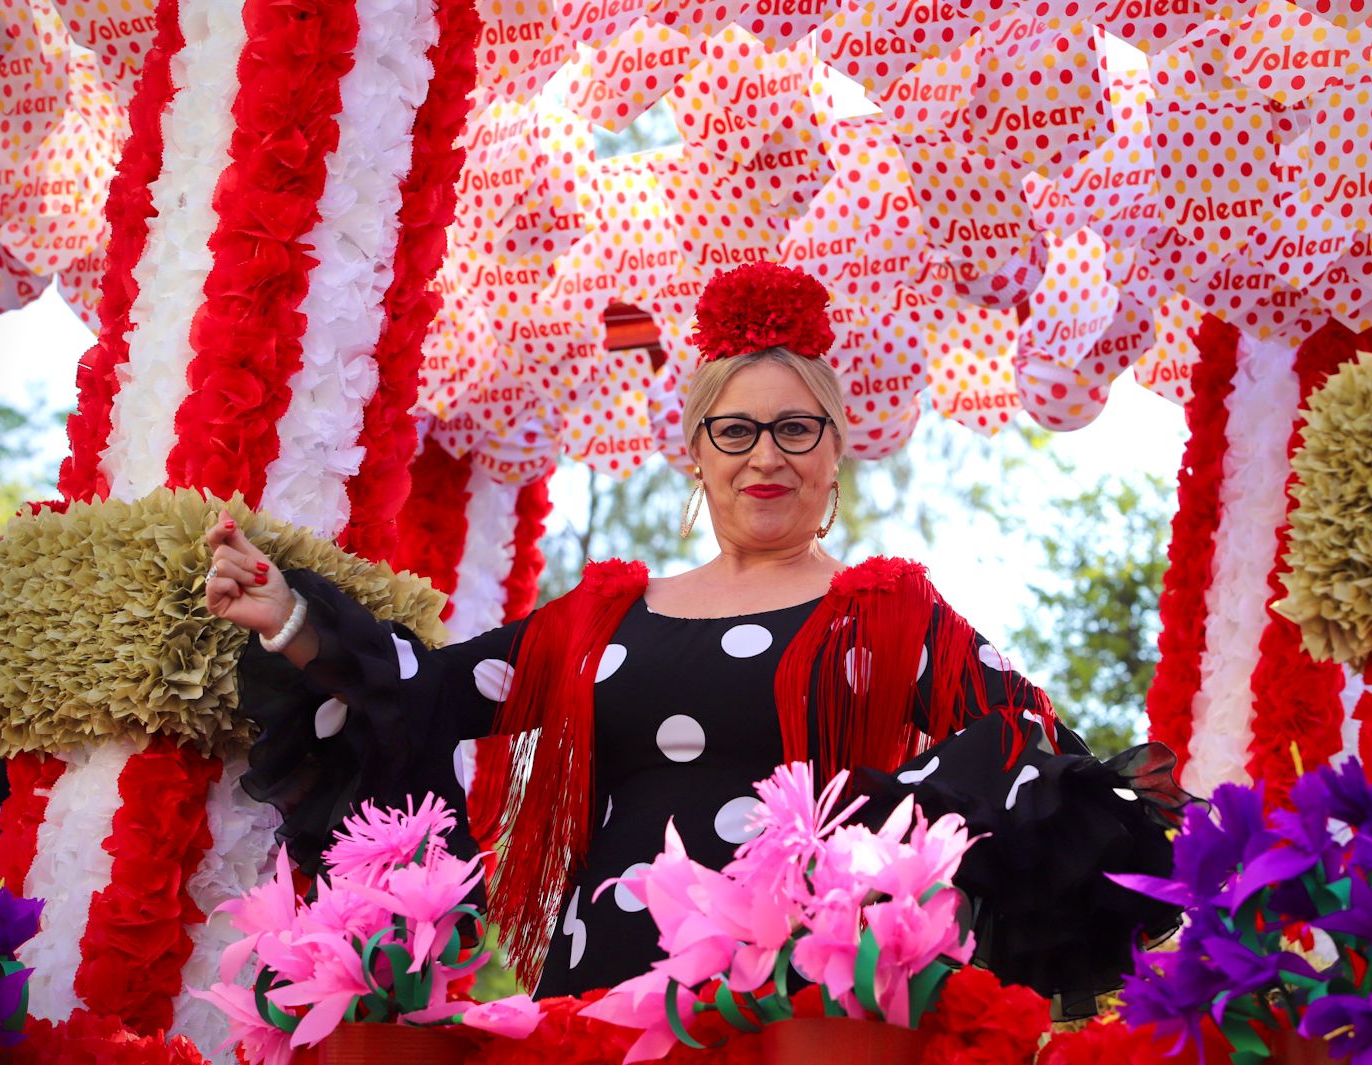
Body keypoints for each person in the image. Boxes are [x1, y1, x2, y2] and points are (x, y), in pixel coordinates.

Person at [206, 261, 1189, 1017]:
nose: (766, 457)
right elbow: (425, 692)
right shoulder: (599, 619)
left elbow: (1026, 753)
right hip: (599, 984)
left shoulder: (894, 619)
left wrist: (886, 847)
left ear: (836, 449)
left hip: (797, 998)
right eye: (736, 433)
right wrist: (290, 619)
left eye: (796, 431)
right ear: (694, 456)